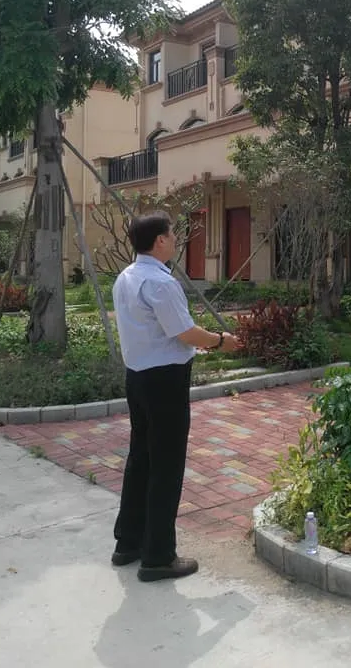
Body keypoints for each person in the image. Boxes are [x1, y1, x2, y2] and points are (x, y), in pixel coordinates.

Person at [111, 212, 241, 583]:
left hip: (137, 378)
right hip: (164, 381)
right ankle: (158, 556)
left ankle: (128, 543)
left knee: (141, 458)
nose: (176, 240)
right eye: (172, 235)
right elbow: (184, 332)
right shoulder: (161, 283)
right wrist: (220, 341)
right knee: (166, 465)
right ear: (160, 241)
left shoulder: (126, 277)